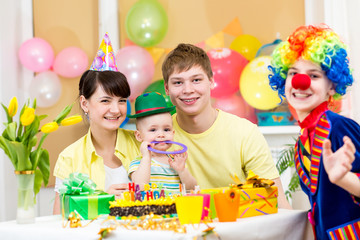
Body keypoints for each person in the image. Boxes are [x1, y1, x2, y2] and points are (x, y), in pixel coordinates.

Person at [161, 43, 291, 209]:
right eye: (178, 83)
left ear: (211, 82)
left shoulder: (245, 133)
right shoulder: (157, 137)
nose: (188, 89)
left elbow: (277, 201)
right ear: (166, 88)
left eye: (196, 80)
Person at [269, 24, 360, 239]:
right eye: (293, 73)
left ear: (331, 86)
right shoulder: (303, 139)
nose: (301, 82)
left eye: (314, 75)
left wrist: (344, 178)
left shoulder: (339, 128)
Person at [52, 34, 140, 214]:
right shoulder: (69, 158)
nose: (116, 110)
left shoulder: (142, 144)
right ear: (85, 104)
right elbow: (59, 219)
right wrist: (102, 201)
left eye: (122, 100)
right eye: (106, 101)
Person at [128, 92, 197, 192]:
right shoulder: (138, 163)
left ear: (173, 133)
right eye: (153, 130)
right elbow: (139, 188)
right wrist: (146, 157)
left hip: (177, 207)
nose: (161, 135)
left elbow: (192, 188)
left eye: (166, 129)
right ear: (139, 136)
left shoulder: (175, 161)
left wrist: (182, 170)